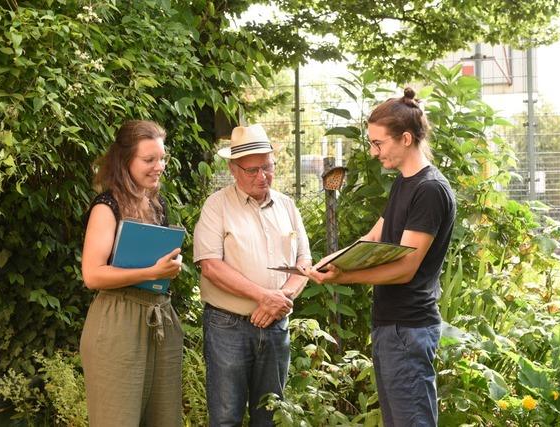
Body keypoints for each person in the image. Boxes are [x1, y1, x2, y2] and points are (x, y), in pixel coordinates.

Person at [306, 88, 456, 427]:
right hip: (391, 326)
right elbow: (373, 236)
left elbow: (405, 268)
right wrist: (329, 261)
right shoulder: (404, 183)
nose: (374, 153)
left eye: (378, 143)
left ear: (405, 138)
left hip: (410, 328)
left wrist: (342, 278)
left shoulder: (430, 189)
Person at [193, 124, 312, 426]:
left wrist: (279, 301)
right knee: (225, 417)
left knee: (269, 417)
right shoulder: (216, 206)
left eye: (268, 167)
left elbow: (304, 263)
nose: (262, 177)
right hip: (227, 325)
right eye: (252, 170)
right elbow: (210, 265)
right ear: (233, 169)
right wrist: (264, 296)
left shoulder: (286, 205)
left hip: (275, 324)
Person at [80, 120, 183, 427]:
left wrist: (168, 269)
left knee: (164, 419)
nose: (159, 166)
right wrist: (152, 271)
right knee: (117, 419)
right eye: (149, 160)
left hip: (158, 318)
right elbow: (92, 275)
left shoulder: (156, 204)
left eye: (161, 158)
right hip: (117, 323)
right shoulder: (106, 207)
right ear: (125, 162)